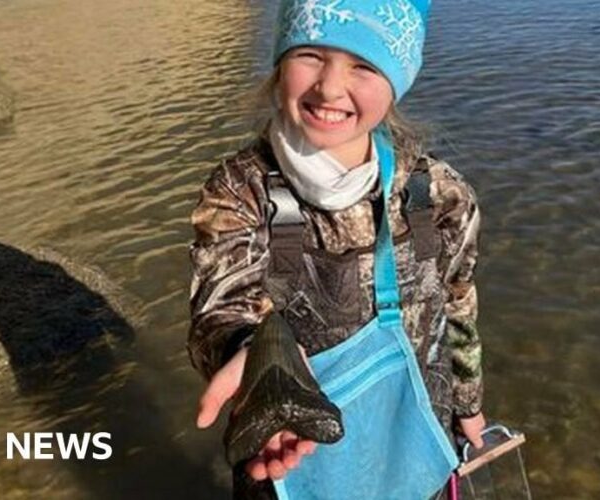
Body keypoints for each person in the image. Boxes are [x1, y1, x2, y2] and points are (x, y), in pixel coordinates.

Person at [187, 0, 486, 498]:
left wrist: (470, 404)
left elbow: (457, 303)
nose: (329, 87)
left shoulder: (439, 195)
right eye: (310, 54)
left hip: (413, 439)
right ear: (279, 61)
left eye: (363, 65)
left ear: (398, 79)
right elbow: (220, 306)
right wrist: (260, 359)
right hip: (284, 446)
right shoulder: (241, 191)